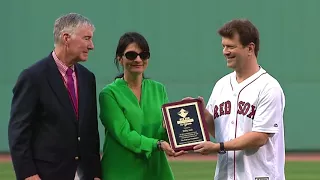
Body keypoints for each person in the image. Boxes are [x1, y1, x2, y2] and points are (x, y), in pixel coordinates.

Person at [188, 19, 286, 180]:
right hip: (225, 175)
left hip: (259, 176)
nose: (225, 51)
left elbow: (259, 137)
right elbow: (219, 132)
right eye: (223, 46)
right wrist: (202, 115)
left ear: (250, 48)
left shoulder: (269, 87)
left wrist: (218, 147)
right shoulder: (222, 85)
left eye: (231, 46)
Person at [8, 13, 101, 180]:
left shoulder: (88, 78)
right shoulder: (32, 77)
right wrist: (28, 174)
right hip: (47, 174)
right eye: (86, 38)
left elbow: (91, 131)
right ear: (66, 38)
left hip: (84, 174)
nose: (92, 45)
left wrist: (95, 173)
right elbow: (19, 132)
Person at [98, 32, 184, 180]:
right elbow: (124, 134)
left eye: (143, 55)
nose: (138, 59)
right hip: (121, 172)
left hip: (155, 170)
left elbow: (163, 131)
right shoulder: (109, 94)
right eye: (131, 55)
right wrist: (157, 144)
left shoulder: (159, 89)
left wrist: (184, 117)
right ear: (120, 58)